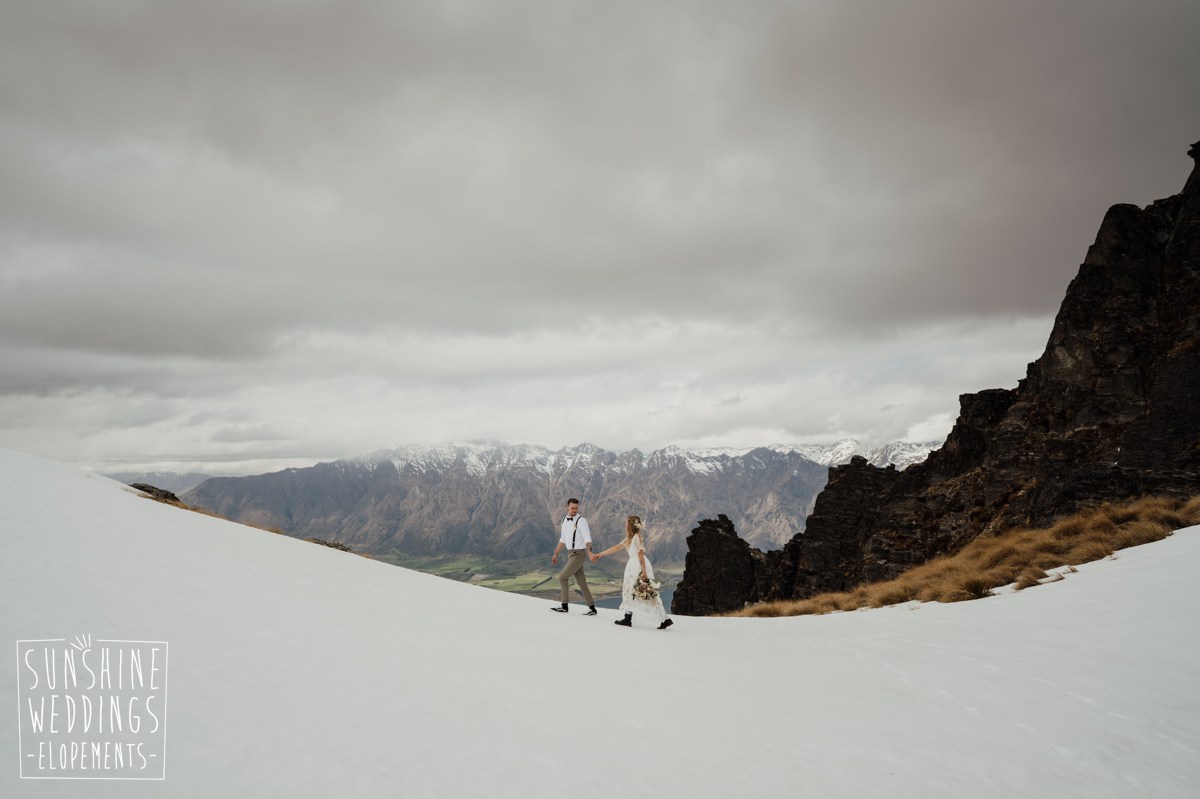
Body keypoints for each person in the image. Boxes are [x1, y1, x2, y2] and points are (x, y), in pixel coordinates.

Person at [595, 515, 672, 630]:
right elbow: (614, 548)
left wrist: (644, 573)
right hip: (632, 565)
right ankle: (628, 618)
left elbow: (640, 556)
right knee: (630, 591)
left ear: (630, 525)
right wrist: (599, 555)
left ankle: (664, 619)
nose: (625, 525)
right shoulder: (628, 539)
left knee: (647, 591)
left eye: (627, 523)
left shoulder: (637, 538)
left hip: (637, 566)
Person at [550, 498, 598, 615]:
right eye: (572, 508)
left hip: (579, 554)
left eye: (576, 508)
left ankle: (564, 605)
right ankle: (592, 609)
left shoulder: (582, 521)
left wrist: (590, 553)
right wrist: (556, 553)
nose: (574, 510)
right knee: (581, 583)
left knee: (562, 577)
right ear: (567, 507)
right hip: (571, 554)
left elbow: (587, 538)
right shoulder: (564, 520)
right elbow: (563, 539)